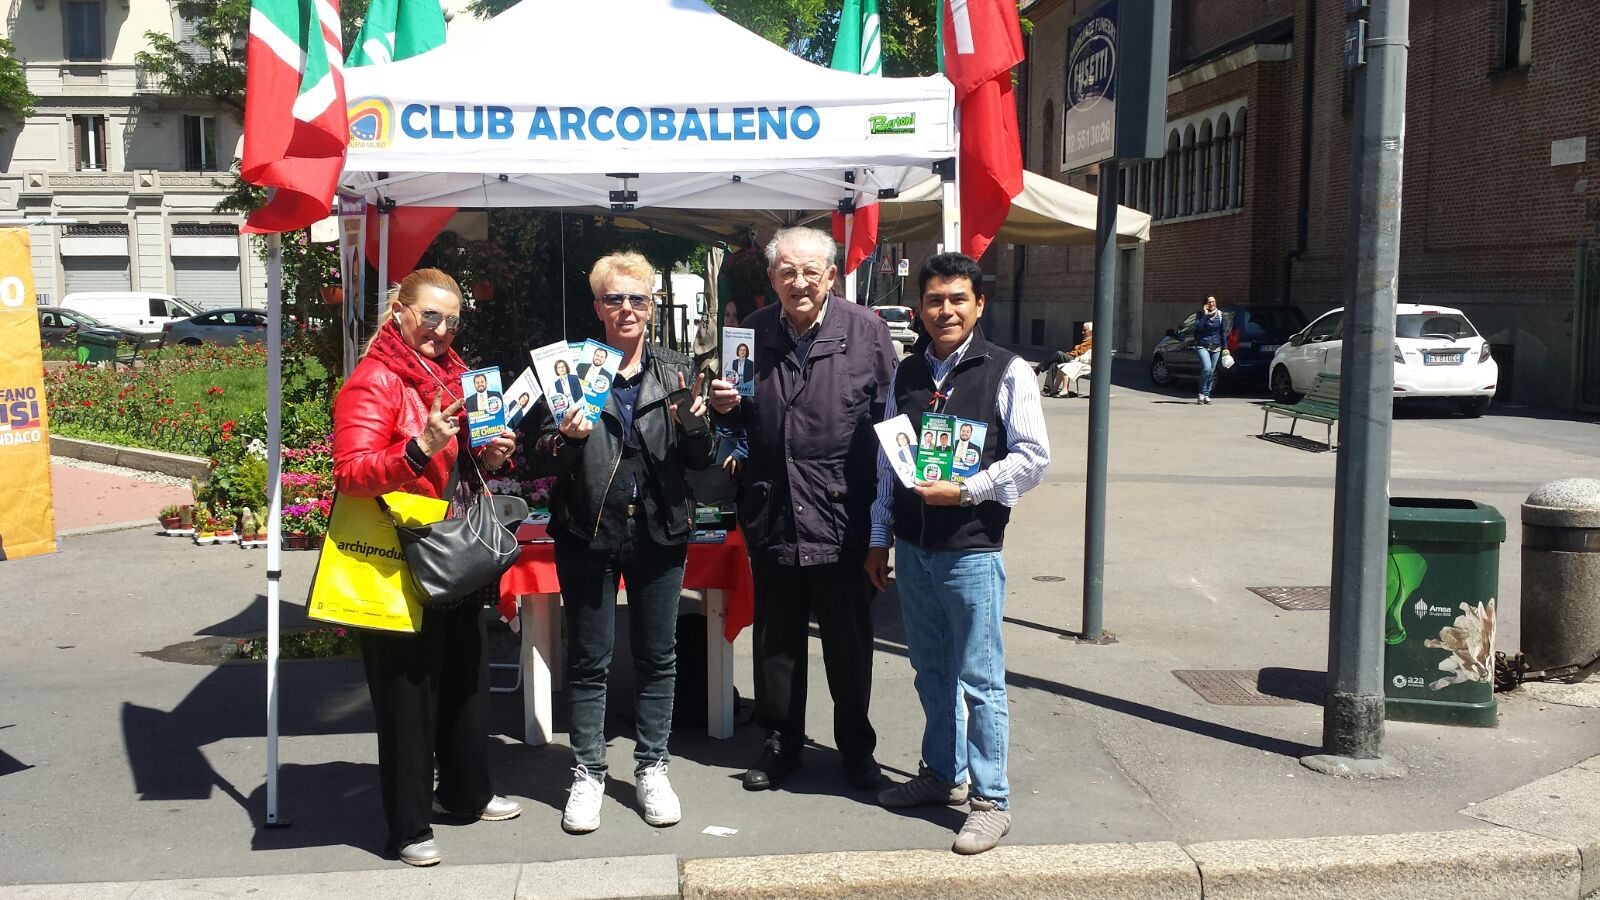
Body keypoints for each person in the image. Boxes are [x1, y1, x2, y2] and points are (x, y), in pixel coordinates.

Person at [332, 268, 521, 868]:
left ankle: (466, 793)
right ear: (400, 312)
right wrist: (418, 448)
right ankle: (409, 826)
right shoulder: (374, 380)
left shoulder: (451, 376)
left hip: (451, 548)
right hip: (397, 556)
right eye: (430, 316)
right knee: (407, 695)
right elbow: (351, 472)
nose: (441, 330)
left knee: (465, 680)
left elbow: (457, 466)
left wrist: (488, 454)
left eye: (452, 321)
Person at [866, 252, 1050, 855]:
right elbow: (887, 462)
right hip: (913, 547)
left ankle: (991, 802)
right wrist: (879, 537)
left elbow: (1032, 458)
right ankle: (942, 774)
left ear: (978, 304)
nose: (945, 310)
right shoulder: (908, 372)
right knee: (931, 672)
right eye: (934, 300)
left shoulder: (1007, 371)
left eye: (957, 299)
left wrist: (967, 490)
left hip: (971, 549)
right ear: (920, 308)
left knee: (979, 679)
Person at [526, 251, 714, 835]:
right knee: (589, 659)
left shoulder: (678, 370)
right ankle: (588, 772)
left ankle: (653, 766)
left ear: (652, 306)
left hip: (659, 529)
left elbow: (702, 460)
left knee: (658, 656)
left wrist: (696, 427)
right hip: (588, 528)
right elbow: (539, 455)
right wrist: (565, 437)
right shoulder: (571, 370)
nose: (626, 309)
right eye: (614, 299)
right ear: (598, 307)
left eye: (637, 298)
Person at [709, 225, 897, 793]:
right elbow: (736, 428)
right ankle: (779, 743)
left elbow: (891, 426)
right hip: (773, 513)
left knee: (848, 646)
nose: (800, 282)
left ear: (831, 276)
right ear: (772, 278)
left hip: (843, 516)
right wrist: (723, 412)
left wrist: (884, 527)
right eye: (787, 271)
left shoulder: (866, 330)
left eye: (811, 271)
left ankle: (856, 749)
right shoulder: (750, 332)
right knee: (777, 645)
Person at [1037, 322, 1093, 397]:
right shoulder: (1086, 340)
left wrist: (1072, 352)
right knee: (1055, 363)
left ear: (1091, 331)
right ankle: (1047, 388)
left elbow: (1080, 353)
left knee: (1058, 354)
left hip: (1077, 360)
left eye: (1085, 330)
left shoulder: (1092, 341)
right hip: (1073, 357)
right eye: (1082, 330)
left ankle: (1039, 368)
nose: (1082, 332)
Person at [1194, 296, 1229, 404]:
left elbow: (1223, 333)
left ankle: (1207, 395)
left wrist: (1225, 348)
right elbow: (1198, 328)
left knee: (1211, 371)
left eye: (1213, 301)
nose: (1212, 304)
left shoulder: (1220, 315)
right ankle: (1201, 394)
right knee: (1206, 368)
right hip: (1202, 345)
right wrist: (1205, 315)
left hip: (1216, 346)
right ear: (1205, 304)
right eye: (1209, 302)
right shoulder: (1200, 315)